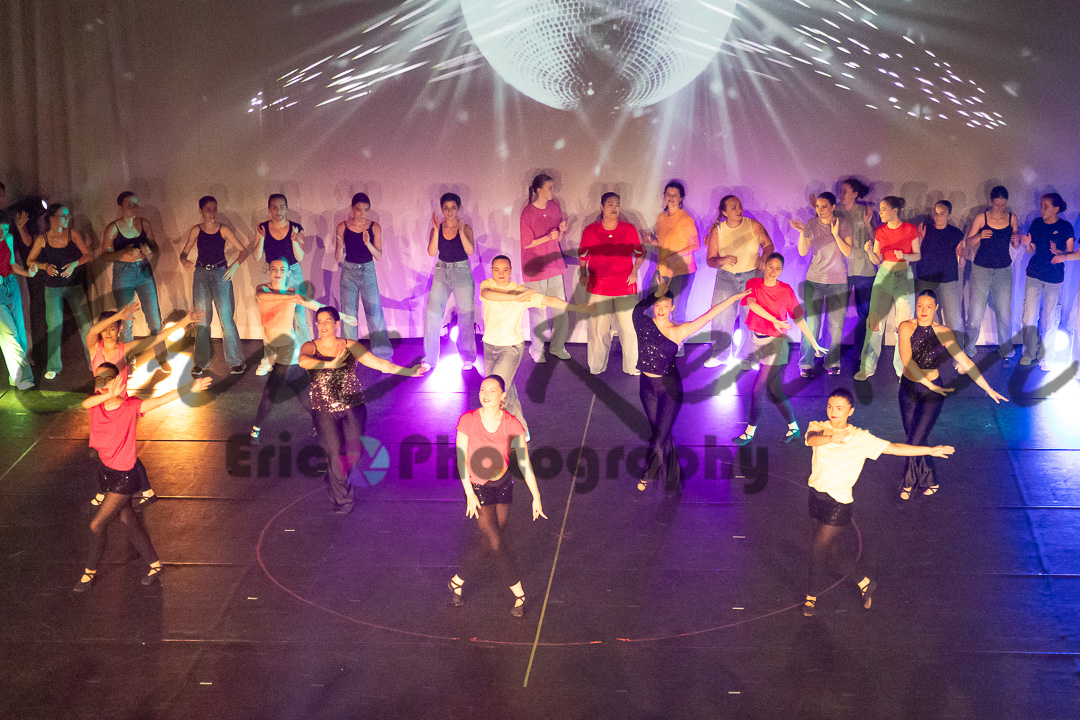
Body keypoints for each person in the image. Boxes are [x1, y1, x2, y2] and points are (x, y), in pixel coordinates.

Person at [801, 387, 954, 616]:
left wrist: (930, 450)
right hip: (815, 496)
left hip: (838, 503)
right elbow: (811, 440)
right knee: (831, 552)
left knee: (817, 550)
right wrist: (831, 437)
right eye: (831, 407)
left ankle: (810, 598)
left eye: (840, 408)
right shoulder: (818, 427)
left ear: (850, 411)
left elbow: (895, 448)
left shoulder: (860, 439)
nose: (833, 412)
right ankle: (864, 582)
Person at [74, 362, 212, 592]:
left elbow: (160, 400)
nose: (101, 383)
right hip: (107, 472)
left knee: (96, 525)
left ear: (118, 380)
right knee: (128, 520)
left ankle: (89, 573)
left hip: (125, 478)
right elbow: (85, 403)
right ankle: (155, 565)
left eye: (106, 379)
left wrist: (190, 387)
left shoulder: (130, 406)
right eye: (98, 379)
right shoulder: (95, 403)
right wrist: (108, 393)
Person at [299, 306, 425, 515]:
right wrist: (330, 365)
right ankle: (344, 503)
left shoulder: (350, 346)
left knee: (354, 454)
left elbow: (382, 365)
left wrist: (409, 371)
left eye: (328, 321)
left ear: (337, 324)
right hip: (324, 410)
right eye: (319, 321)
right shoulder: (310, 347)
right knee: (335, 456)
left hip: (353, 407)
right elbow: (303, 361)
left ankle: (334, 477)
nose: (323, 325)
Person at [634, 272, 749, 491]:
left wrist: (733, 298)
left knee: (658, 438)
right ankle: (674, 482)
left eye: (665, 306)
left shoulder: (678, 330)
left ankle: (647, 474)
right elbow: (637, 310)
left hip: (669, 390)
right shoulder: (643, 324)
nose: (661, 310)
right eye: (658, 305)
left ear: (672, 308)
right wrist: (655, 294)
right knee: (662, 434)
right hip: (646, 388)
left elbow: (708, 315)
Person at [84, 302, 202, 512]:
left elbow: (157, 339)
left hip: (120, 408)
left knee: (119, 451)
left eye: (113, 328)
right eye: (105, 328)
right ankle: (140, 490)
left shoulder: (124, 349)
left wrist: (186, 320)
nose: (109, 333)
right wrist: (117, 315)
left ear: (120, 329)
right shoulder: (95, 349)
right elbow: (92, 331)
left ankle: (109, 490)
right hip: (100, 406)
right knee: (100, 451)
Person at [447, 375, 547, 617]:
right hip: (477, 488)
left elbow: (524, 462)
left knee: (489, 542)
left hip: (503, 486)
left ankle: (457, 581)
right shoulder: (468, 420)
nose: (486, 394)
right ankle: (519, 594)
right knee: (495, 542)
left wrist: (536, 496)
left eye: (492, 390)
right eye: (483, 389)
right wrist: (469, 493)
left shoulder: (511, 423)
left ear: (502, 395)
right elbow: (461, 459)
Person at [897, 290, 1008, 499]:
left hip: (933, 392)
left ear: (936, 308)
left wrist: (988, 388)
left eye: (928, 306)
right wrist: (926, 384)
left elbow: (965, 361)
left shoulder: (943, 332)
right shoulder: (906, 327)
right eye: (920, 306)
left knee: (914, 440)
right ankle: (930, 478)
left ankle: (908, 482)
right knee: (914, 437)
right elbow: (907, 361)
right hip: (908, 388)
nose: (923, 310)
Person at [479, 255, 593, 439]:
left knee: (495, 391)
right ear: (492, 270)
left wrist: (576, 308)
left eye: (505, 270)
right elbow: (488, 295)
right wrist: (517, 297)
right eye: (497, 270)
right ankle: (521, 429)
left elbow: (549, 300)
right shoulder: (488, 285)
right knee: (507, 390)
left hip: (510, 348)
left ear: (510, 271)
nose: (501, 273)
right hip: (489, 346)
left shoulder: (521, 291)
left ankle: (495, 433)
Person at [733, 253, 825, 445]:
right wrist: (774, 319)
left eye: (777, 268)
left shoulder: (785, 290)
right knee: (775, 390)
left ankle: (749, 432)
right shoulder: (753, 284)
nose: (773, 271)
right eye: (770, 266)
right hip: (759, 340)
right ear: (764, 266)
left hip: (776, 344)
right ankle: (794, 427)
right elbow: (752, 305)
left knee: (757, 389)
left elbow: (798, 318)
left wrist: (814, 343)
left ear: (781, 271)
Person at [251, 259, 329, 442]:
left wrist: (341, 315)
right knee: (302, 392)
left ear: (288, 273)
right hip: (274, 350)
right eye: (274, 269)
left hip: (288, 349)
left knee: (270, 391)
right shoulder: (263, 289)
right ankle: (322, 424)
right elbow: (264, 297)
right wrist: (290, 297)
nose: (277, 272)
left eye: (282, 270)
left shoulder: (293, 292)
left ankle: (255, 430)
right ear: (269, 271)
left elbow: (316, 306)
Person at [101, 191, 171, 374]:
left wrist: (149, 248)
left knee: (154, 317)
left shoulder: (143, 223)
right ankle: (128, 361)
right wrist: (122, 254)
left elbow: (153, 245)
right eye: (129, 205)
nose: (134, 208)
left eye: (136, 204)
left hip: (143, 270)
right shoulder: (113, 228)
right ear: (121, 207)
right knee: (126, 319)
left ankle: (161, 356)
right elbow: (105, 255)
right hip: (123, 272)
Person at [179, 195, 249, 375]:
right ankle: (201, 362)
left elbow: (243, 250)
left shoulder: (223, 229)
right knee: (202, 319)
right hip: (201, 274)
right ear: (201, 211)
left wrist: (234, 266)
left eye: (214, 209)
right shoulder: (196, 230)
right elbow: (184, 253)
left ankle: (235, 361)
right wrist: (184, 261)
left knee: (226, 318)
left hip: (220, 273)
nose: (212, 213)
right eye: (208, 210)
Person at [579, 191, 646, 375]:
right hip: (599, 286)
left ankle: (632, 366)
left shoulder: (628, 229)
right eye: (610, 204)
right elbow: (583, 256)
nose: (614, 208)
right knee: (598, 330)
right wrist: (583, 273)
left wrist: (634, 271)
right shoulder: (591, 231)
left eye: (617, 204)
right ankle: (596, 366)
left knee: (629, 329)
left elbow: (640, 254)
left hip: (625, 285)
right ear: (601, 207)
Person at [855, 196, 920, 381]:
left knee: (904, 324)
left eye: (884, 209)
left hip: (903, 275)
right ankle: (866, 367)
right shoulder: (881, 231)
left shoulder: (910, 229)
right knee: (874, 321)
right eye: (881, 209)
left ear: (894, 210)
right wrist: (869, 252)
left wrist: (905, 255)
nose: (880, 212)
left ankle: (903, 370)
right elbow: (876, 260)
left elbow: (917, 255)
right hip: (883, 275)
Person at [704, 194, 773, 368]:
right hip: (726, 278)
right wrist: (723, 260)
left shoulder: (753, 225)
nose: (739, 210)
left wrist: (764, 258)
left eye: (740, 206)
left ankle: (747, 357)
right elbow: (711, 260)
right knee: (721, 315)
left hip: (752, 276)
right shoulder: (718, 231)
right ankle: (720, 355)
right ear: (724, 212)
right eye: (733, 207)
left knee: (750, 316)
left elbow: (768, 245)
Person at [26, 204, 92, 380]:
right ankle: (54, 366)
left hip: (74, 285)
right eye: (63, 216)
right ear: (52, 218)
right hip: (53, 288)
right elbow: (30, 260)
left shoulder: (72, 234)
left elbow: (87, 255)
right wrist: (44, 266)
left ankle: (94, 361)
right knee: (54, 327)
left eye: (67, 216)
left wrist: (74, 264)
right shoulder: (43, 239)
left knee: (86, 325)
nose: (67, 219)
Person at [790, 192, 853, 376]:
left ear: (833, 207)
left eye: (824, 206)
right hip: (815, 280)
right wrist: (802, 232)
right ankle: (806, 363)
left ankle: (832, 362)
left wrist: (835, 235)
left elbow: (848, 252)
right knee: (812, 322)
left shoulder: (843, 224)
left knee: (836, 324)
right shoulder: (811, 224)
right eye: (817, 206)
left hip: (838, 281)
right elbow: (803, 252)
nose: (820, 210)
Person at [963, 185, 1020, 361]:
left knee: (1004, 312)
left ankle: (1006, 349)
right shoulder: (982, 218)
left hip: (1003, 268)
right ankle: (969, 348)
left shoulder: (1012, 218)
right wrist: (980, 236)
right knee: (975, 312)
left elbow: (1016, 244)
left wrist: (1016, 239)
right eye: (996, 205)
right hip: (981, 268)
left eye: (1003, 205)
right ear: (990, 202)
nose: (1000, 208)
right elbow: (968, 243)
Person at [519, 174, 571, 363]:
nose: (553, 190)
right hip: (534, 268)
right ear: (539, 190)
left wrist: (561, 230)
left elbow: (557, 238)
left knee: (560, 308)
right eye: (550, 187)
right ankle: (536, 350)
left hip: (554, 265)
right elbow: (527, 243)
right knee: (537, 311)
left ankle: (557, 347)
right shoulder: (527, 212)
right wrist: (548, 237)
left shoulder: (555, 206)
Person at [255, 194, 308, 375]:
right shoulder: (263, 228)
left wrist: (294, 240)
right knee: (272, 317)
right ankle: (269, 359)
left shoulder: (296, 228)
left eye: (282, 207)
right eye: (274, 207)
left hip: (292, 271)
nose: (278, 211)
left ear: (287, 208)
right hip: (274, 272)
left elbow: (300, 256)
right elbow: (256, 256)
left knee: (299, 315)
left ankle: (306, 355)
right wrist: (261, 238)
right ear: (269, 209)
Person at [423, 192, 477, 371]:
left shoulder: (465, 227)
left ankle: (467, 357)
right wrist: (436, 231)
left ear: (458, 208)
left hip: (461, 271)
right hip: (442, 270)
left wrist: (460, 232)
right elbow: (431, 252)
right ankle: (429, 359)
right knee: (432, 313)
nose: (450, 211)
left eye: (453, 208)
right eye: (446, 208)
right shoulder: (437, 228)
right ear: (442, 209)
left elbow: (470, 251)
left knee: (466, 314)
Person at [335, 192, 392, 361]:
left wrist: (367, 243)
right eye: (358, 209)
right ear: (352, 209)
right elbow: (338, 258)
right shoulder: (343, 226)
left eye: (366, 210)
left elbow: (378, 255)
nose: (362, 214)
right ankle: (350, 356)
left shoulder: (374, 227)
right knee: (349, 315)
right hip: (349, 272)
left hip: (367, 271)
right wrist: (340, 244)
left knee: (374, 313)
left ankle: (383, 355)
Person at [1020, 193, 1074, 370]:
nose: (1042, 209)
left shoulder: (1065, 227)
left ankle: (1047, 358)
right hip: (1034, 274)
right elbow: (1030, 251)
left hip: (1054, 276)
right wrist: (1027, 243)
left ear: (1056, 209)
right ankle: (1028, 354)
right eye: (1041, 205)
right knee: (1030, 315)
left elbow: (1070, 252)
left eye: (1046, 206)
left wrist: (1060, 253)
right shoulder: (1037, 223)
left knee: (1049, 318)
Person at [649, 181, 699, 355]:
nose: (671, 198)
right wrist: (651, 241)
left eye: (675, 195)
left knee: (677, 309)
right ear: (664, 196)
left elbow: (695, 245)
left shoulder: (685, 219)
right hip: (663, 269)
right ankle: (659, 341)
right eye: (668, 194)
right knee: (655, 306)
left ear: (681, 198)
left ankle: (677, 345)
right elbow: (663, 243)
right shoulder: (661, 218)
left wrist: (675, 255)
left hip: (682, 271)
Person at [836, 178, 877, 358]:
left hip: (864, 270)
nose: (841, 194)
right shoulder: (836, 211)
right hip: (841, 270)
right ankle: (832, 351)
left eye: (845, 191)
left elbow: (876, 240)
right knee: (837, 312)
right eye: (840, 191)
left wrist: (868, 224)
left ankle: (862, 350)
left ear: (855, 194)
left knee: (864, 313)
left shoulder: (864, 211)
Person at [915, 201, 964, 336]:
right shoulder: (926, 228)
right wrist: (920, 238)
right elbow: (916, 251)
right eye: (936, 213)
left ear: (949, 215)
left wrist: (962, 257)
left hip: (948, 278)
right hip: (926, 278)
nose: (938, 217)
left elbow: (961, 259)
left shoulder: (955, 233)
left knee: (953, 319)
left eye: (942, 214)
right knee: (926, 317)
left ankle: (955, 348)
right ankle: (928, 346)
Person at [0, 211, 35, 389]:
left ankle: (14, 376)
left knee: (20, 334)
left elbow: (12, 264)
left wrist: (27, 273)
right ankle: (23, 379)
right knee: (9, 334)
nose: (2, 233)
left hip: (11, 285)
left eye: (6, 229)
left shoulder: (8, 238)